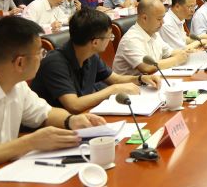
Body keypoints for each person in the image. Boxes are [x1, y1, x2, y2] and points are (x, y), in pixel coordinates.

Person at [0, 17, 104, 167]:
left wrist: (71, 120)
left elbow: (45, 113)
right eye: (41, 53)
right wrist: (30, 142)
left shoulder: (18, 86)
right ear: (20, 62)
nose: (43, 58)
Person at [30, 9, 160, 112]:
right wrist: (113, 90)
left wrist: (141, 79)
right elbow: (73, 105)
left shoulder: (90, 55)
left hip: (84, 117)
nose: (110, 39)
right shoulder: (54, 63)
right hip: (54, 127)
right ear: (96, 42)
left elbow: (115, 79)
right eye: (109, 36)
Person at [112, 0, 190, 76]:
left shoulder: (154, 33)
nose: (163, 22)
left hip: (152, 79)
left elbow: (169, 52)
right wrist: (176, 59)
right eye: (159, 19)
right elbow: (146, 67)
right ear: (144, 18)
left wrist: (184, 53)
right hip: (132, 83)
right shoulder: (131, 39)